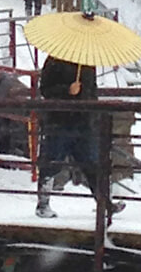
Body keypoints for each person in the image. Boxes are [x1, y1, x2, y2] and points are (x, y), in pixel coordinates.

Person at [35, 55, 125, 218]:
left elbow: (92, 90)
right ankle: (43, 204)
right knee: (52, 161)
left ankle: (104, 203)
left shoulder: (88, 61)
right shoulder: (55, 60)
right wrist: (67, 90)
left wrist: (92, 111)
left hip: (84, 121)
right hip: (60, 120)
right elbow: (46, 89)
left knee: (93, 163)